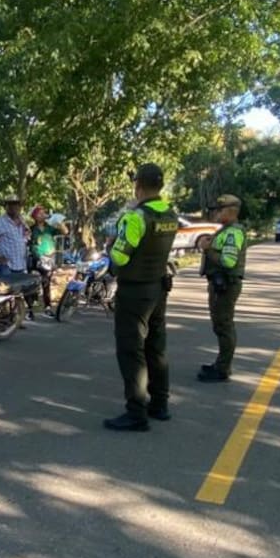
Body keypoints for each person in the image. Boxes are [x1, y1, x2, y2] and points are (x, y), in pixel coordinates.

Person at [103, 163, 180, 431]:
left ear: (138, 185)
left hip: (135, 291)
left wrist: (110, 248)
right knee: (156, 347)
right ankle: (160, 404)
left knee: (131, 350)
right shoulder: (170, 214)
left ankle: (136, 412)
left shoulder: (135, 218)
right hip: (158, 288)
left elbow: (120, 257)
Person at [198, 194, 246, 383]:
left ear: (230, 211)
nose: (215, 213)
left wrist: (208, 249)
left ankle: (223, 368)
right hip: (219, 284)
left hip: (226, 285)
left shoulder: (233, 232)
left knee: (224, 326)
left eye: (219, 209)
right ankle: (220, 363)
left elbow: (228, 261)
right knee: (220, 325)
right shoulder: (225, 230)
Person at [28, 205, 69, 315]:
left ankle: (47, 307)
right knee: (32, 284)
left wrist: (60, 222)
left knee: (46, 283)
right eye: (40, 213)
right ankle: (31, 308)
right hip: (35, 259)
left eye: (43, 213)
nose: (43, 215)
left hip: (48, 259)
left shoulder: (50, 228)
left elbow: (65, 232)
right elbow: (29, 244)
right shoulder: (31, 229)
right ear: (35, 217)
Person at [0, 197, 30, 280]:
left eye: (16, 204)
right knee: (8, 292)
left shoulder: (22, 221)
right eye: (10, 204)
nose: (13, 207)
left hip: (21, 265)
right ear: (5, 207)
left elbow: (25, 238)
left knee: (20, 291)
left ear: (19, 207)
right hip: (6, 267)